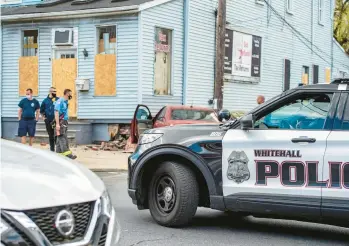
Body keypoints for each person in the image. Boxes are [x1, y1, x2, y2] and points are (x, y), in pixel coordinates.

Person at [54, 89, 77, 159]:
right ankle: (67, 154)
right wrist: (57, 124)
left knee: (59, 138)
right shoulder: (60, 101)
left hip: (64, 121)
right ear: (67, 94)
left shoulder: (65, 102)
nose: (71, 95)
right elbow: (56, 112)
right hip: (60, 121)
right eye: (70, 94)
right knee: (62, 137)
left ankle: (58, 153)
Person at [40, 87, 59, 151]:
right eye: (54, 91)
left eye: (55, 91)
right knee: (51, 135)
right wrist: (44, 118)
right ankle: (52, 149)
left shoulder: (57, 99)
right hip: (48, 120)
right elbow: (41, 110)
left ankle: (58, 149)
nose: (55, 93)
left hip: (56, 120)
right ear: (50, 92)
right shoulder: (45, 101)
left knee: (57, 134)